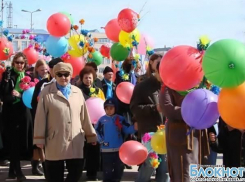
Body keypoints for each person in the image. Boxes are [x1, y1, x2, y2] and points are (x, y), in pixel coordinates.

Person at [33, 62, 97, 182]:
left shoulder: (77, 92)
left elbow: (84, 116)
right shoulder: (46, 92)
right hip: (55, 140)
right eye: (60, 74)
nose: (63, 77)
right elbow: (40, 118)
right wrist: (39, 139)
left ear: (70, 75)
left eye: (66, 74)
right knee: (54, 175)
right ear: (55, 76)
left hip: (75, 140)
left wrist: (91, 135)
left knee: (76, 173)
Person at [159, 81, 210, 182]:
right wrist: (190, 111)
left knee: (194, 171)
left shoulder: (196, 85)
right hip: (179, 136)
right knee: (182, 172)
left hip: (196, 135)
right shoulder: (168, 86)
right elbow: (167, 108)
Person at [130, 61, 169, 182]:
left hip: (167, 132)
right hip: (150, 132)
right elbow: (134, 108)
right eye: (162, 72)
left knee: (165, 169)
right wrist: (154, 108)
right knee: (150, 165)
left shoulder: (171, 85)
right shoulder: (143, 86)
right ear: (156, 70)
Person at [0, 52, 34, 181]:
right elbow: (3, 94)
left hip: (24, 113)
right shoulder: (8, 75)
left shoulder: (28, 77)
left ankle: (11, 171)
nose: (19, 65)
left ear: (25, 64)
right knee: (13, 142)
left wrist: (20, 96)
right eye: (17, 62)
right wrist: (6, 81)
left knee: (20, 142)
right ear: (13, 63)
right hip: (10, 113)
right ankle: (18, 172)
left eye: (22, 63)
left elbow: (31, 95)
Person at [30, 57, 63, 177]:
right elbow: (34, 103)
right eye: (57, 69)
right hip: (45, 120)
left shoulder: (67, 84)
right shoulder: (43, 84)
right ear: (51, 70)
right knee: (42, 146)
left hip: (61, 121)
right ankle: (45, 169)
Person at [95, 98, 137, 182]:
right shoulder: (101, 120)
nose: (109, 110)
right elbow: (96, 131)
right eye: (107, 108)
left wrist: (135, 127)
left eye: (111, 108)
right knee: (107, 169)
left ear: (115, 108)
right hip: (106, 149)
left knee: (119, 168)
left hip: (119, 149)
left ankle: (117, 179)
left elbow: (127, 129)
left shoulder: (120, 119)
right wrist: (101, 140)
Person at [78, 66, 105, 180]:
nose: (88, 80)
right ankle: (79, 171)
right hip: (81, 123)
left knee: (95, 148)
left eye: (90, 78)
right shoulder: (77, 91)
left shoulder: (98, 91)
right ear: (82, 78)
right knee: (82, 148)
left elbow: (103, 105)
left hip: (96, 124)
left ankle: (92, 172)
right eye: (85, 78)